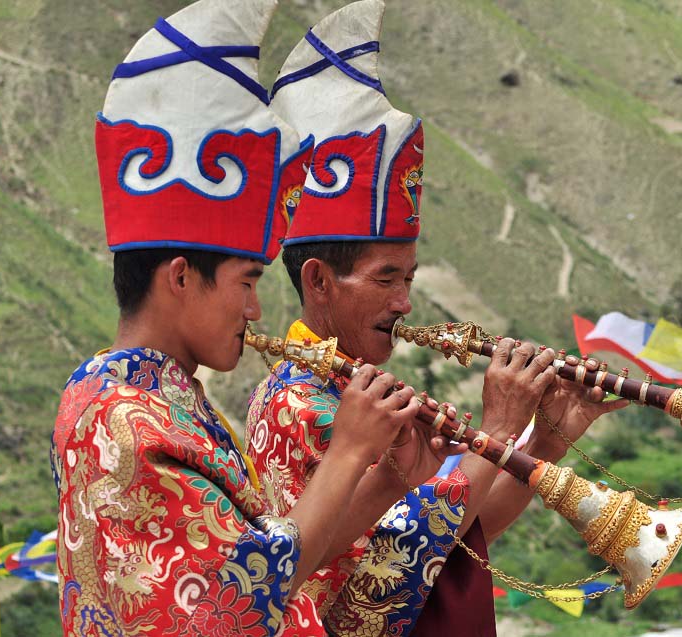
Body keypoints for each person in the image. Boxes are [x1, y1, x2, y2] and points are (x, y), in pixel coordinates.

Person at [246, 2, 629, 635]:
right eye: (386, 279)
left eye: (410, 279)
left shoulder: (357, 386)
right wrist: (502, 427)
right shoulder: (301, 405)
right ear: (318, 281)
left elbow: (457, 535)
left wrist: (550, 437)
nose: (404, 303)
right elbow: (373, 589)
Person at [50, 2, 419, 635]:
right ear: (181, 277)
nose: (254, 309)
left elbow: (274, 559)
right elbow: (234, 602)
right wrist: (352, 451)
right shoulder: (127, 421)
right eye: (246, 281)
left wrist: (386, 480)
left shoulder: (149, 399)